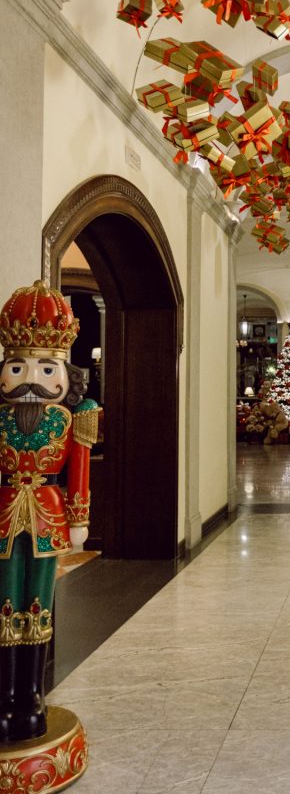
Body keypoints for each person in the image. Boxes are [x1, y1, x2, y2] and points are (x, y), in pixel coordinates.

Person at [0, 280, 98, 743]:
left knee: (38, 604)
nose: (29, 378)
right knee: (4, 603)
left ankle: (30, 698)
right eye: (17, 366)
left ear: (64, 370)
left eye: (45, 366)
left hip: (48, 512)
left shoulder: (72, 416)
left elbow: (78, 470)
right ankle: (5, 697)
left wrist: (79, 517)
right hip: (3, 515)